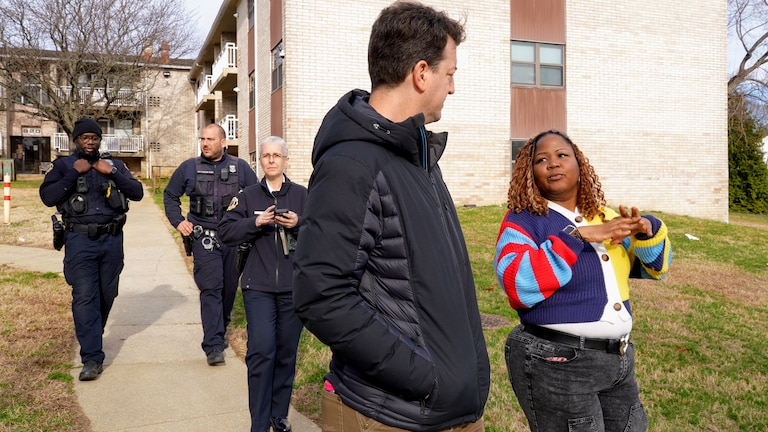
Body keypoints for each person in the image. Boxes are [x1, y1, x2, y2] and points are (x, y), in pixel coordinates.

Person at [292, 2, 490, 431]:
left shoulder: (419, 158)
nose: (452, 87)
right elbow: (321, 295)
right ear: (421, 73)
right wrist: (427, 379)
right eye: (449, 73)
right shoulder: (353, 163)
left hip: (441, 411)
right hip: (388, 416)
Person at [494, 130, 673, 432]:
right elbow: (518, 283)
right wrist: (578, 237)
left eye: (562, 155)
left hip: (617, 361)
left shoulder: (603, 216)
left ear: (580, 165)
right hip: (559, 362)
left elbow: (654, 268)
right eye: (542, 160)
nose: (553, 164)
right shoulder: (523, 220)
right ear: (530, 173)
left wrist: (646, 230)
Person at [39, 117, 144, 381]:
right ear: (76, 140)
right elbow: (48, 197)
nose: (90, 142)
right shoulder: (64, 166)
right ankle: (92, 358)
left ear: (100, 140)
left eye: (94, 138)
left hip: (111, 240)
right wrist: (76, 172)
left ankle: (92, 336)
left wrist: (113, 173)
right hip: (79, 241)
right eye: (85, 138)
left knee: (107, 294)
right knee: (85, 297)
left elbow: (138, 192)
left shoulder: (114, 164)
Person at [218, 136, 307, 432]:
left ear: (285, 160)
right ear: (261, 161)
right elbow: (226, 231)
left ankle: (278, 415)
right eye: (266, 156)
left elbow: (323, 231)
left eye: (276, 155)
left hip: (293, 289)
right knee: (262, 351)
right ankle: (258, 423)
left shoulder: (303, 196)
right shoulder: (247, 196)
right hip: (258, 288)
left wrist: (300, 224)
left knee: (285, 353)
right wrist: (254, 224)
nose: (271, 160)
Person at [163, 123, 258, 366]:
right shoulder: (189, 167)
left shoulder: (240, 167)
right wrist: (178, 221)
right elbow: (170, 195)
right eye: (202, 138)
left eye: (211, 139)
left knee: (228, 288)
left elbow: (255, 196)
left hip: (232, 238)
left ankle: (221, 326)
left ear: (224, 142)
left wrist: (250, 226)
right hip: (203, 237)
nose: (205, 143)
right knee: (211, 288)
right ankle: (213, 344)